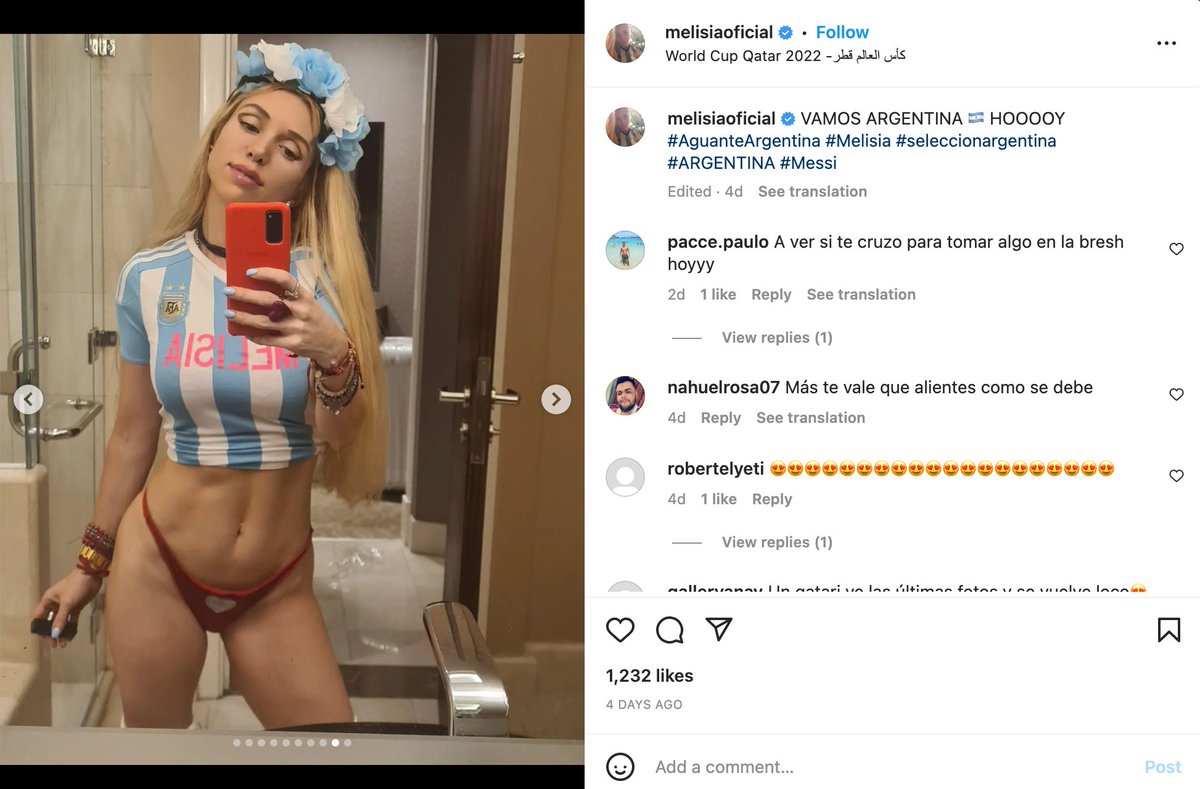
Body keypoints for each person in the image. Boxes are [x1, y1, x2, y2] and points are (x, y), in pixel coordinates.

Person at [30, 40, 388, 731]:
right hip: (157, 563)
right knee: (157, 750)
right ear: (219, 135)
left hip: (277, 581)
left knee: (329, 744)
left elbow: (339, 437)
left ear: (305, 181)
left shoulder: (323, 281)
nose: (259, 151)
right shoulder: (148, 277)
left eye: (290, 149)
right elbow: (132, 434)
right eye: (250, 125)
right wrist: (88, 567)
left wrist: (333, 354)